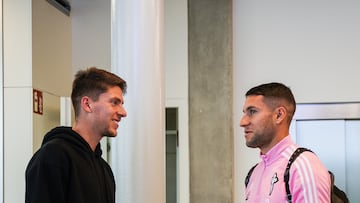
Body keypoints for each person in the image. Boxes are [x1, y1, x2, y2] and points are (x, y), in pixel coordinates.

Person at [25, 67, 127, 203]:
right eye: (114, 103)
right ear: (87, 104)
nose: (123, 112)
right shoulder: (53, 157)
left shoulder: (104, 169)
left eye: (121, 104)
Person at [240, 82, 330, 202]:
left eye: (252, 112)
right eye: (244, 113)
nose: (243, 122)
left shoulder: (302, 166)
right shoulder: (254, 174)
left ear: (279, 115)